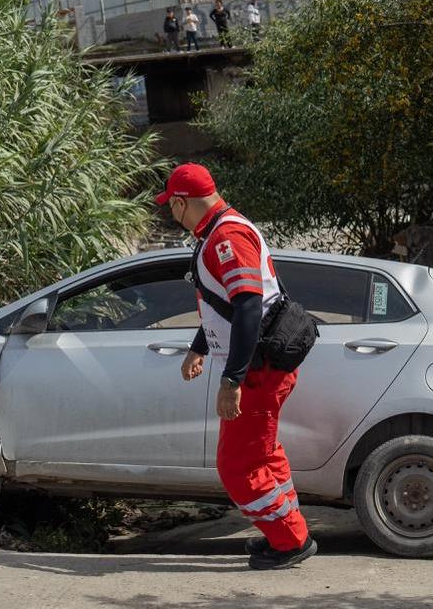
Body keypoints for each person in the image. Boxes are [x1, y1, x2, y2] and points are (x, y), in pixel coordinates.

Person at [156, 163, 317, 571]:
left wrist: (233, 379)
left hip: (257, 369)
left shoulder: (224, 237)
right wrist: (200, 347)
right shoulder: (220, 230)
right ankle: (290, 533)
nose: (170, 213)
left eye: (170, 206)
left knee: (236, 466)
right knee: (262, 454)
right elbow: (225, 304)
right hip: (261, 363)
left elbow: (248, 306)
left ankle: (288, 541)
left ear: (180, 202)